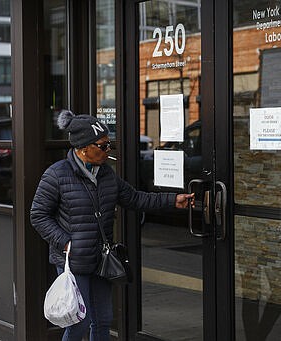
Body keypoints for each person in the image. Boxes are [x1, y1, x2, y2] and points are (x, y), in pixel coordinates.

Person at [30, 110, 194, 341]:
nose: (109, 150)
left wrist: (173, 200)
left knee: (103, 319)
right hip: (75, 260)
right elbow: (38, 215)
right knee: (79, 322)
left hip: (101, 259)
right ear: (84, 148)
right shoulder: (56, 175)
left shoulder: (107, 174)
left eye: (109, 145)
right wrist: (66, 243)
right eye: (103, 145)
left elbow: (136, 198)